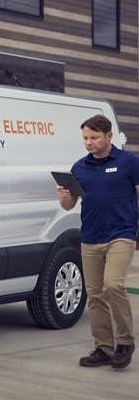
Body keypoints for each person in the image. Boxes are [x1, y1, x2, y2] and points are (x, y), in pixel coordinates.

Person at [57, 114, 139, 370]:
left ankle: (125, 342)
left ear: (109, 136)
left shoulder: (129, 162)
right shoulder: (79, 167)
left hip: (122, 233)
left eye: (94, 137)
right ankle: (104, 348)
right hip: (90, 236)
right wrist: (64, 196)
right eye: (85, 138)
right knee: (94, 295)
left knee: (113, 285)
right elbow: (70, 204)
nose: (89, 142)